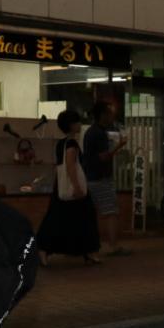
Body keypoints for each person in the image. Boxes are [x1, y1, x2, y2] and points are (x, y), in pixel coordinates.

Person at [36, 109, 101, 266]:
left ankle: (44, 249)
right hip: (72, 186)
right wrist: (77, 186)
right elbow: (71, 166)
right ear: (71, 125)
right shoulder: (71, 144)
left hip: (61, 186)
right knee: (85, 217)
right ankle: (89, 251)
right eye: (77, 122)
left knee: (57, 218)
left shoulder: (60, 144)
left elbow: (60, 166)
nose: (80, 124)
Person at [83, 100, 130, 256]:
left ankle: (96, 244)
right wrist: (120, 146)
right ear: (103, 115)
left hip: (92, 177)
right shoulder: (99, 133)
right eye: (110, 114)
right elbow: (103, 157)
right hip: (100, 178)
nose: (112, 117)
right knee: (111, 211)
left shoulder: (91, 132)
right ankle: (113, 245)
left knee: (100, 212)